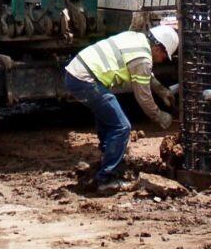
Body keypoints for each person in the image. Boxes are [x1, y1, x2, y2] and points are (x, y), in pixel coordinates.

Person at [64, 26, 178, 193]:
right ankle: (106, 179)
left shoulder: (136, 38)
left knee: (107, 120)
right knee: (122, 127)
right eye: (164, 55)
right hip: (86, 80)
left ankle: (106, 161)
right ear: (157, 47)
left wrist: (162, 90)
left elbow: (144, 73)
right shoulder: (143, 59)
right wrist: (159, 116)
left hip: (76, 75)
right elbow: (143, 97)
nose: (162, 60)